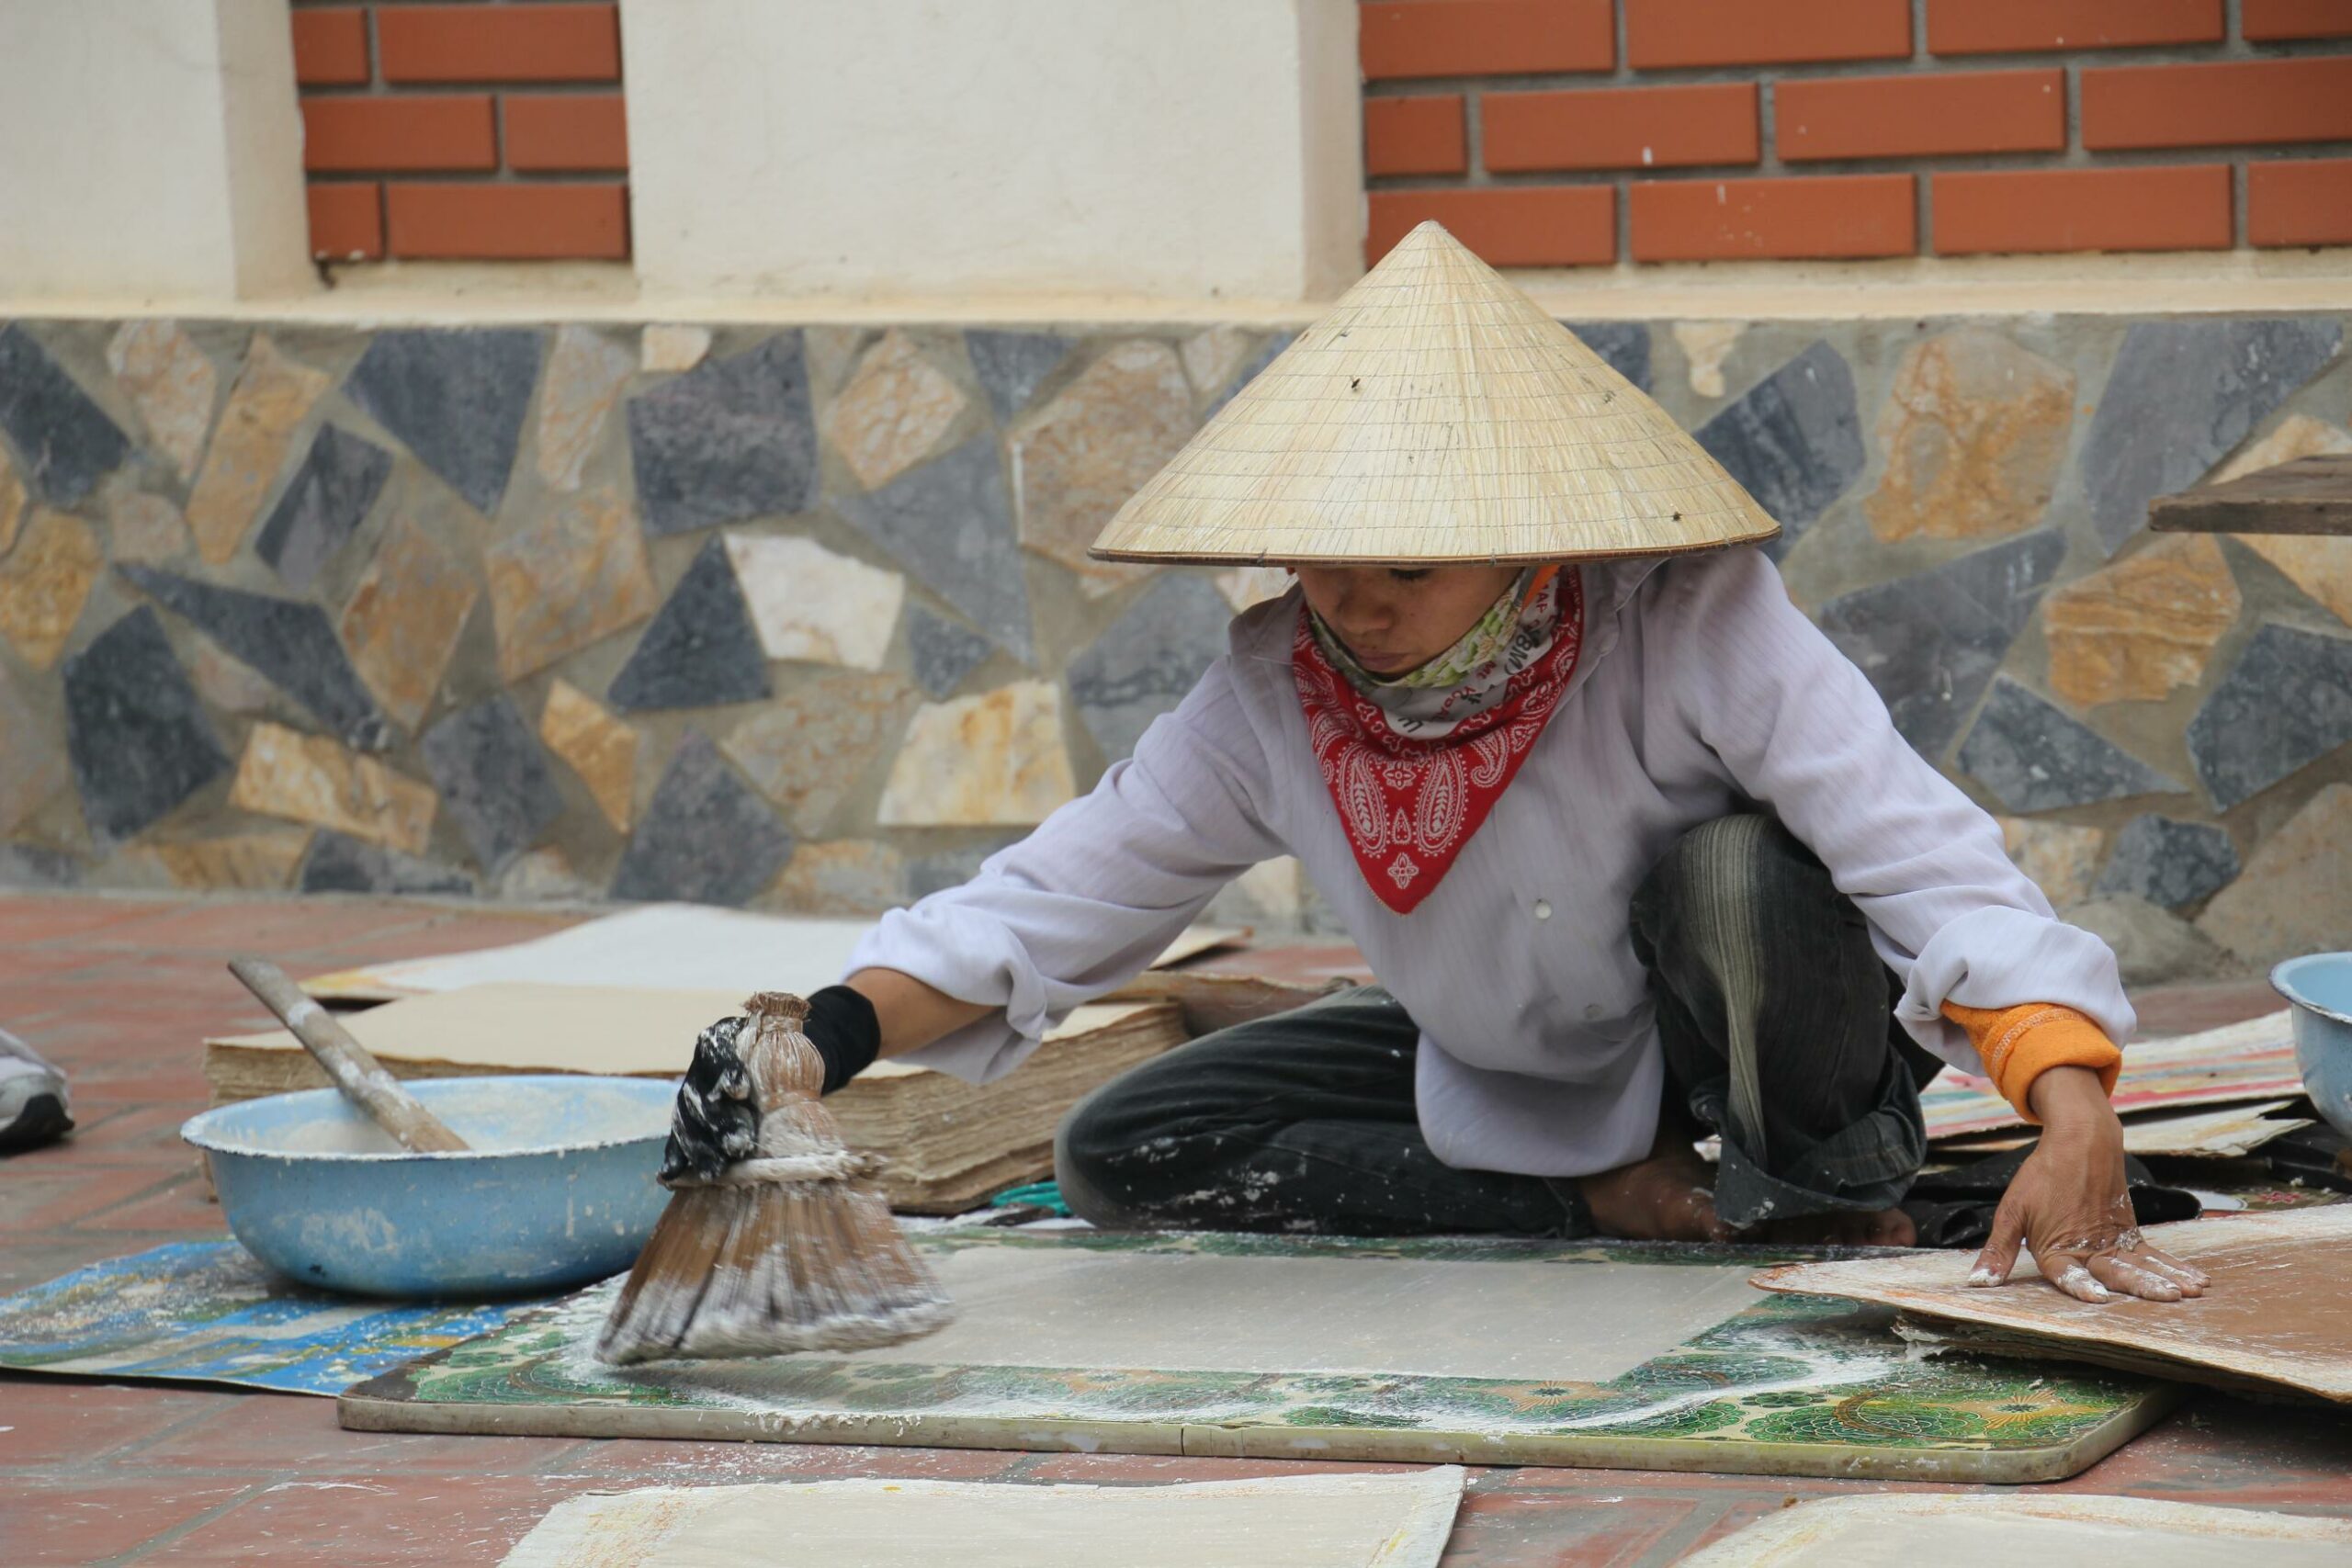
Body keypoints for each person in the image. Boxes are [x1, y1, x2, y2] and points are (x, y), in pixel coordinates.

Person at [665, 223, 2203, 1304]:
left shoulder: (1695, 619)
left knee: (1737, 875)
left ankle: (1814, 1186)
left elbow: (1917, 857)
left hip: (1734, 1042)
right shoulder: (1277, 684)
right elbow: (1066, 894)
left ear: (1527, 545)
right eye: (1324, 566)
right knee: (1123, 1144)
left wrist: (2074, 1109)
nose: (1357, 606)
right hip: (1509, 1052)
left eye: (1409, 567)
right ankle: (1606, 1197)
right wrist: (823, 1037)